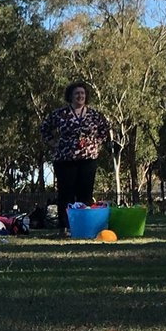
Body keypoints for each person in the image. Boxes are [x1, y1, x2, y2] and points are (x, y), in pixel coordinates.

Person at [40, 82, 111, 237]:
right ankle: (64, 227)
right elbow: (45, 128)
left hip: (88, 158)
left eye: (82, 94)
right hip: (65, 159)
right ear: (71, 96)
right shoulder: (60, 114)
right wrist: (54, 143)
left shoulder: (94, 114)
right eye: (77, 94)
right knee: (66, 194)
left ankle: (84, 227)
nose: (80, 96)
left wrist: (95, 143)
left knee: (85, 193)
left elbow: (105, 129)